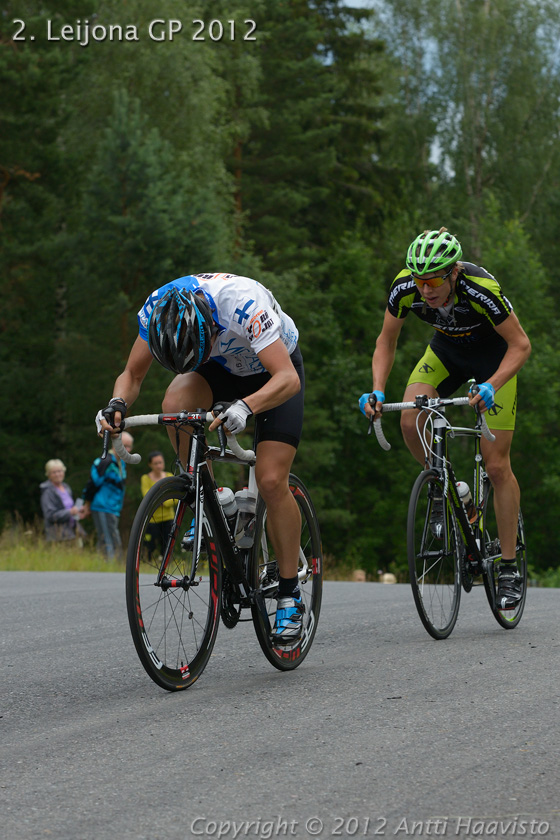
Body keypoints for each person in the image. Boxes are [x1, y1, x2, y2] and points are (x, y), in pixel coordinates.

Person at [95, 272, 305, 644]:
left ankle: (289, 592)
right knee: (175, 405)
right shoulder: (157, 310)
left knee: (272, 480)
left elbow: (288, 378)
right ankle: (210, 496)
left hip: (272, 373)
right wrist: (117, 404)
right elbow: (131, 373)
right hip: (218, 368)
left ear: (210, 325)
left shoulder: (244, 306)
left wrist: (246, 406)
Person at [360, 228, 531, 609]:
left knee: (497, 464)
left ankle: (507, 567)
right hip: (445, 353)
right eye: (419, 281)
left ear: (453, 273)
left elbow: (521, 345)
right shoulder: (405, 287)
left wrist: (492, 385)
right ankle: (448, 488)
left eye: (434, 280)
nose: (426, 290)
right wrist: (377, 389)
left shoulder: (480, 287)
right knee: (409, 421)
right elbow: (386, 341)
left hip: (494, 359)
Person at [83, 432, 134, 560]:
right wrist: (87, 504)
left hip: (113, 508)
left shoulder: (121, 463)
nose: (127, 449)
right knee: (108, 539)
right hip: (102, 506)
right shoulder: (104, 461)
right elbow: (92, 484)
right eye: (124, 445)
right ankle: (110, 569)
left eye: (129, 446)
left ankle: (107, 566)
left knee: (111, 538)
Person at [40, 459, 87, 543]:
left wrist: (78, 510)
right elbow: (50, 515)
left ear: (64, 472)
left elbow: (69, 508)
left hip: (73, 531)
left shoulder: (66, 488)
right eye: (54, 472)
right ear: (48, 475)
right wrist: (70, 512)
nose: (57, 474)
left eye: (59, 471)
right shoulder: (47, 492)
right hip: (58, 536)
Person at [140, 451, 174, 560]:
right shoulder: (145, 478)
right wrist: (165, 498)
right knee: (150, 544)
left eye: (160, 462)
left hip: (168, 518)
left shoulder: (170, 476)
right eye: (155, 463)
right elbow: (147, 496)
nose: (159, 465)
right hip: (152, 519)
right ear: (150, 465)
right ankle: (148, 562)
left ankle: (165, 564)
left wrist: (161, 501)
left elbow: (175, 498)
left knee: (167, 545)